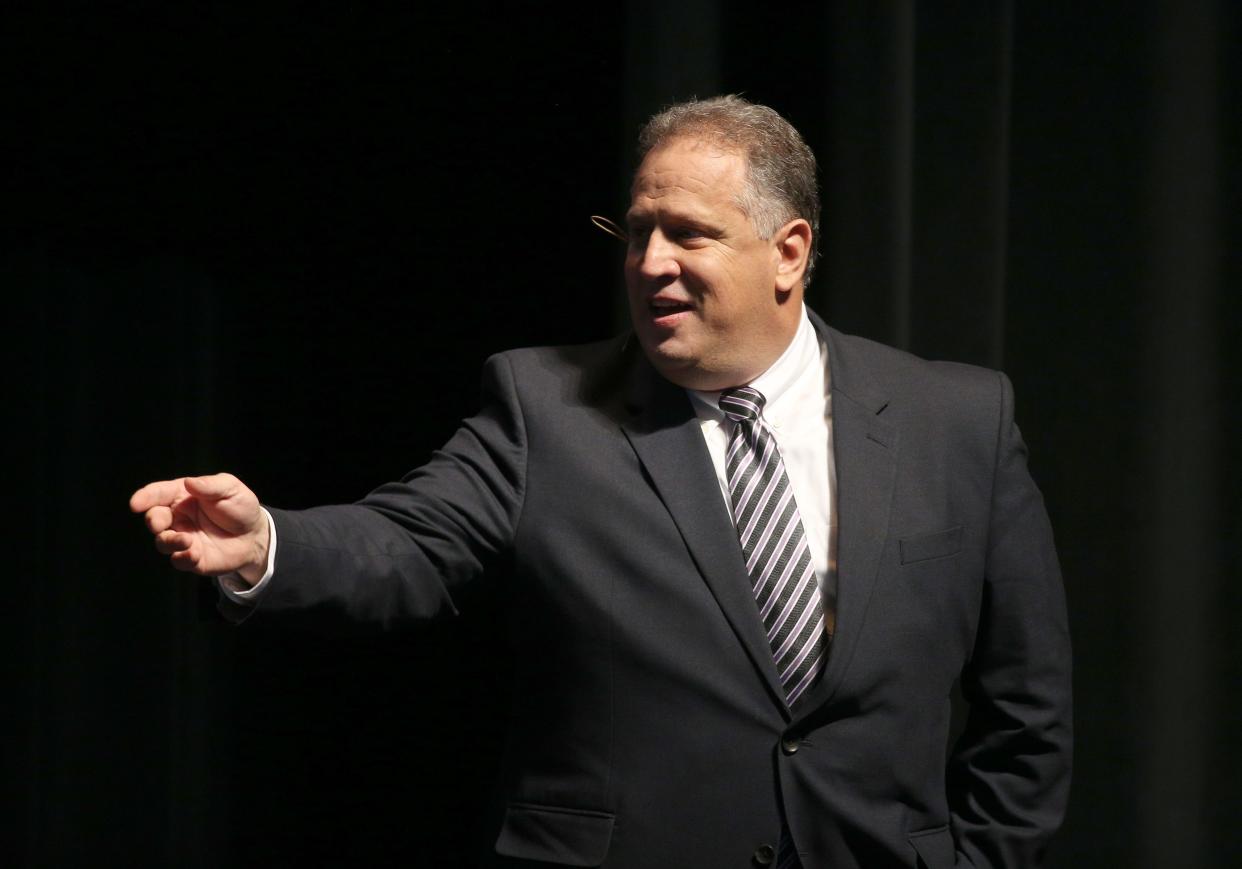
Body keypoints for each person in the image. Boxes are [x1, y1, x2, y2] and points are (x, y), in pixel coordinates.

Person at [131, 96, 1071, 869]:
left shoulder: (958, 421)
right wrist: (268, 547)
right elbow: (407, 543)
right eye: (637, 231)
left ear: (789, 251)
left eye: (689, 235)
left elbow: (1027, 706)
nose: (650, 263)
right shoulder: (547, 407)